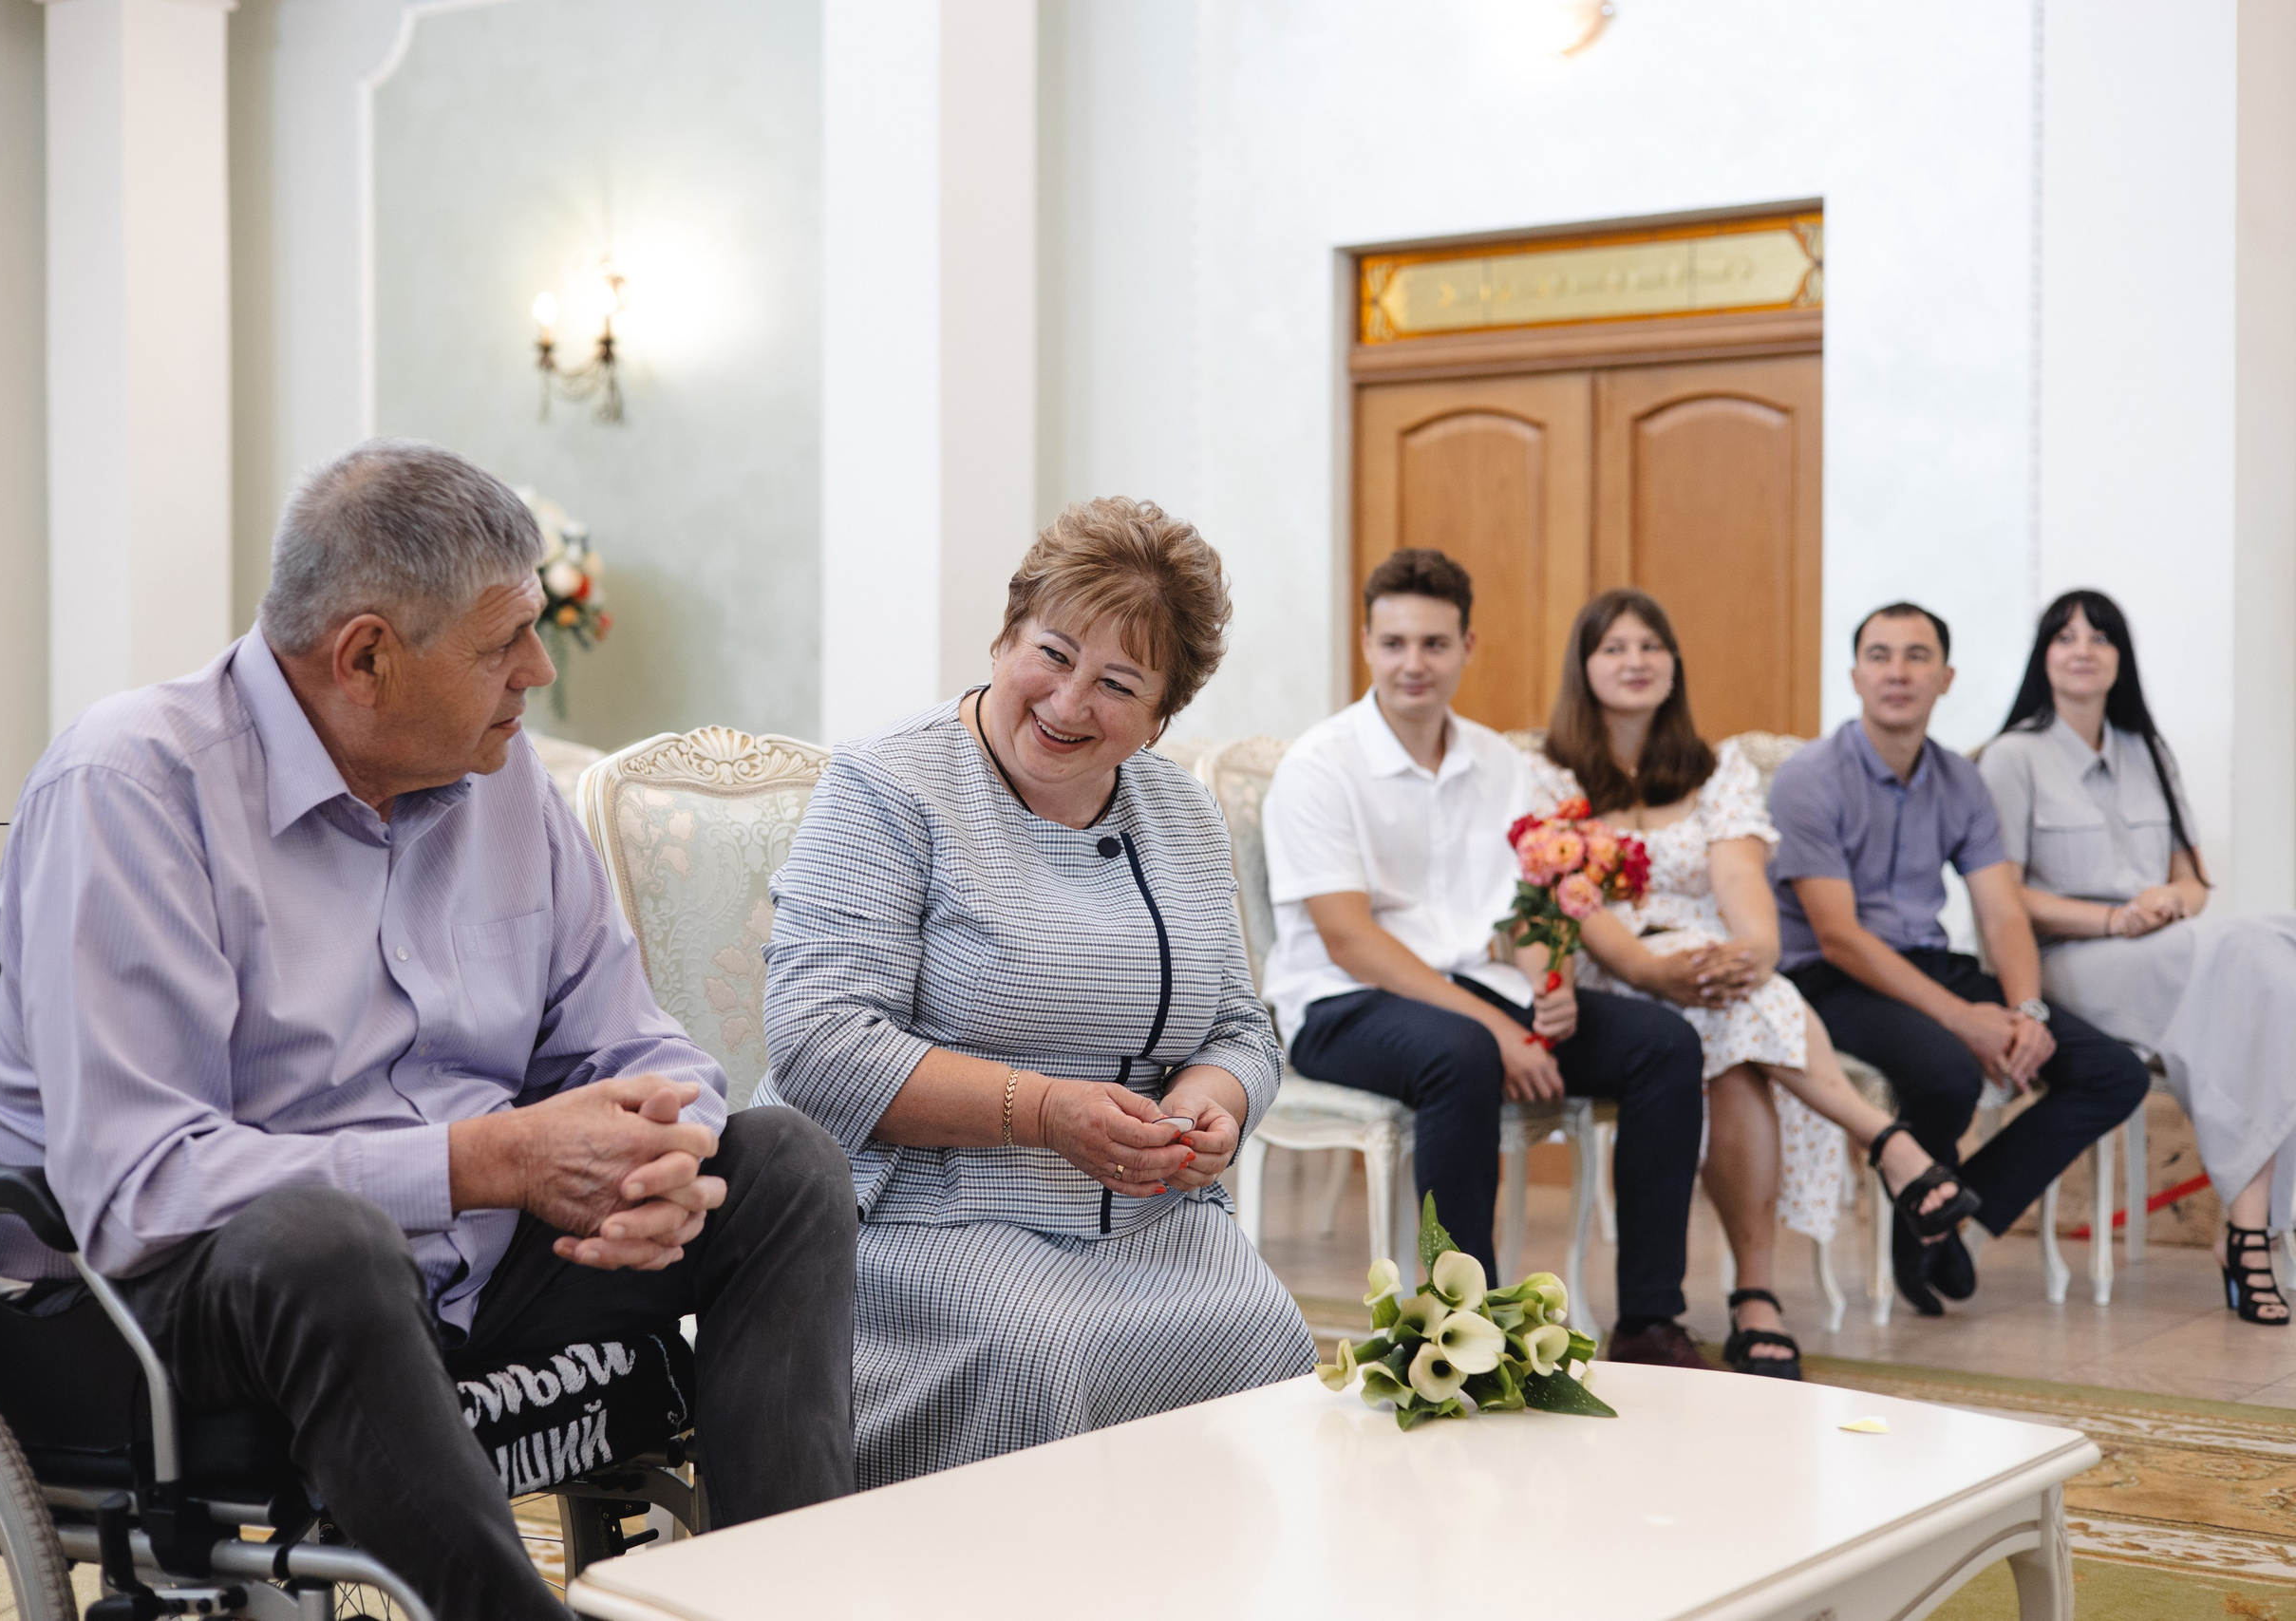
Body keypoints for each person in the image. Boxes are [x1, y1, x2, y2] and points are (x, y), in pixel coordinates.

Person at [0, 440, 857, 1621]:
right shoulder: (130, 786)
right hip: (160, 1311)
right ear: (367, 658)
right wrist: (494, 1162)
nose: (538, 670)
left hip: (463, 1276)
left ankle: (775, 1606)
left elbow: (633, 1042)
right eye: (502, 646)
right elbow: (141, 1188)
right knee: (328, 1241)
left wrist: (663, 1155)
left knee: (782, 1163)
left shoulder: (503, 780)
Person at [762, 497, 1314, 1488]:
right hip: (923, 1213)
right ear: (1004, 635)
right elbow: (818, 1039)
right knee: (1045, 1353)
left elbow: (1239, 1025)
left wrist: (1211, 1102)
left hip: (1145, 1210)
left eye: (1117, 683)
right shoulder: (889, 786)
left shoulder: (1182, 813)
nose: (1067, 704)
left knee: (1264, 1334)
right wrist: (1048, 1111)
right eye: (1052, 654)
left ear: (1158, 719)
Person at [1261, 549, 1710, 1369]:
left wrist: (1552, 981)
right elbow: (1347, 938)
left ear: (1470, 644)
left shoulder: (1502, 763)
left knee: (1665, 1043)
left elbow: (1529, 904)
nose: (1414, 663)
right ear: (1366, 642)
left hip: (1478, 988)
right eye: (1395, 642)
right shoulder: (1320, 765)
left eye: (1435, 643)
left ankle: (1649, 1316)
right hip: (1342, 1003)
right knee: (1462, 1053)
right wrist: (1500, 1030)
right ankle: (1464, 1331)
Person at [1530, 591, 1979, 1376]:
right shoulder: (1547, 775)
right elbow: (1573, 903)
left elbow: (1741, 878)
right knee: (1727, 1019)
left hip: (1715, 964)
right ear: (1585, 665)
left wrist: (1758, 948)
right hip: (1614, 972)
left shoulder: (1717, 765)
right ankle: (1875, 1154)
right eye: (1615, 648)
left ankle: (1762, 1288)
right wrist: (1650, 970)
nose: (1635, 661)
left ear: (1673, 665)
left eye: (1651, 645)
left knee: (1738, 1027)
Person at [1770, 601, 2148, 1316]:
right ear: (1854, 674)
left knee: (2111, 1072)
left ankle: (1952, 1213)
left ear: (1946, 677)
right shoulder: (1810, 776)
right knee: (1946, 1071)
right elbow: (1839, 935)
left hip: (1927, 960)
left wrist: (2025, 1010)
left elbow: (2001, 909)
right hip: (1828, 976)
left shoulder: (1960, 779)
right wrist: (1965, 1022)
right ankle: (1926, 1218)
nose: (1898, 672)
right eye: (1880, 655)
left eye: (1917, 656)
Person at [1982, 590, 2293, 1327]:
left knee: (2272, 963)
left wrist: (2169, 904)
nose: (2083, 647)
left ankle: (2245, 1225)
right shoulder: (2012, 757)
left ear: (2120, 656)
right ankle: (2252, 1234)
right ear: (2044, 657)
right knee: (2257, 957)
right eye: (2064, 636)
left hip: (2162, 950)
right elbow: (2006, 898)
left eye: (2100, 635)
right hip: (2068, 961)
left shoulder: (2148, 752)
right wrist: (2116, 918)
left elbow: (2194, 881)